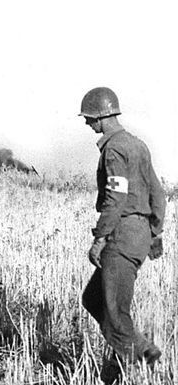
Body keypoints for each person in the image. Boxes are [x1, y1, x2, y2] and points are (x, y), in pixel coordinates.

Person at [79, 87, 166, 377]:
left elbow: (115, 198)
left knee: (115, 313)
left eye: (90, 118)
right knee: (93, 299)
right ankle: (121, 365)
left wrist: (99, 239)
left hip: (122, 233)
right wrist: (155, 233)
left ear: (103, 117)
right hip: (139, 234)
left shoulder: (114, 149)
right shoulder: (137, 145)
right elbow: (157, 192)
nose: (88, 124)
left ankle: (144, 358)